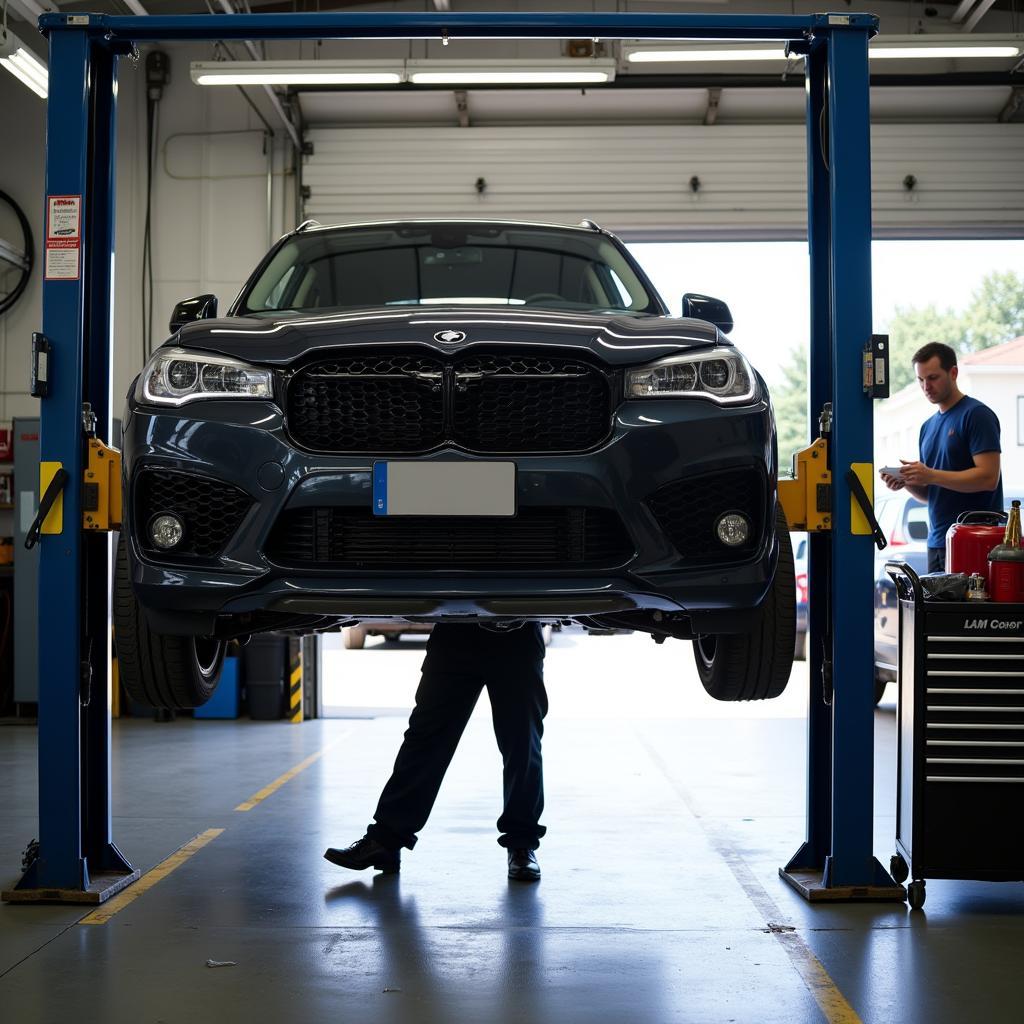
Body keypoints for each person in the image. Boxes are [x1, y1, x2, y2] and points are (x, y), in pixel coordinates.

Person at [325, 621, 548, 882]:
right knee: (425, 737)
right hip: (455, 630)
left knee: (522, 742)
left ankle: (522, 845)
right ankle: (385, 842)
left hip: (516, 632)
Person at [880, 341, 1002, 573]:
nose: (926, 386)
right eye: (921, 380)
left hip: (974, 539)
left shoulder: (976, 415)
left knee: (968, 611)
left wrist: (930, 474)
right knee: (938, 610)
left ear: (953, 373)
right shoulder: (928, 427)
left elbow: (988, 478)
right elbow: (931, 494)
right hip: (937, 541)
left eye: (933, 377)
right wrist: (906, 483)